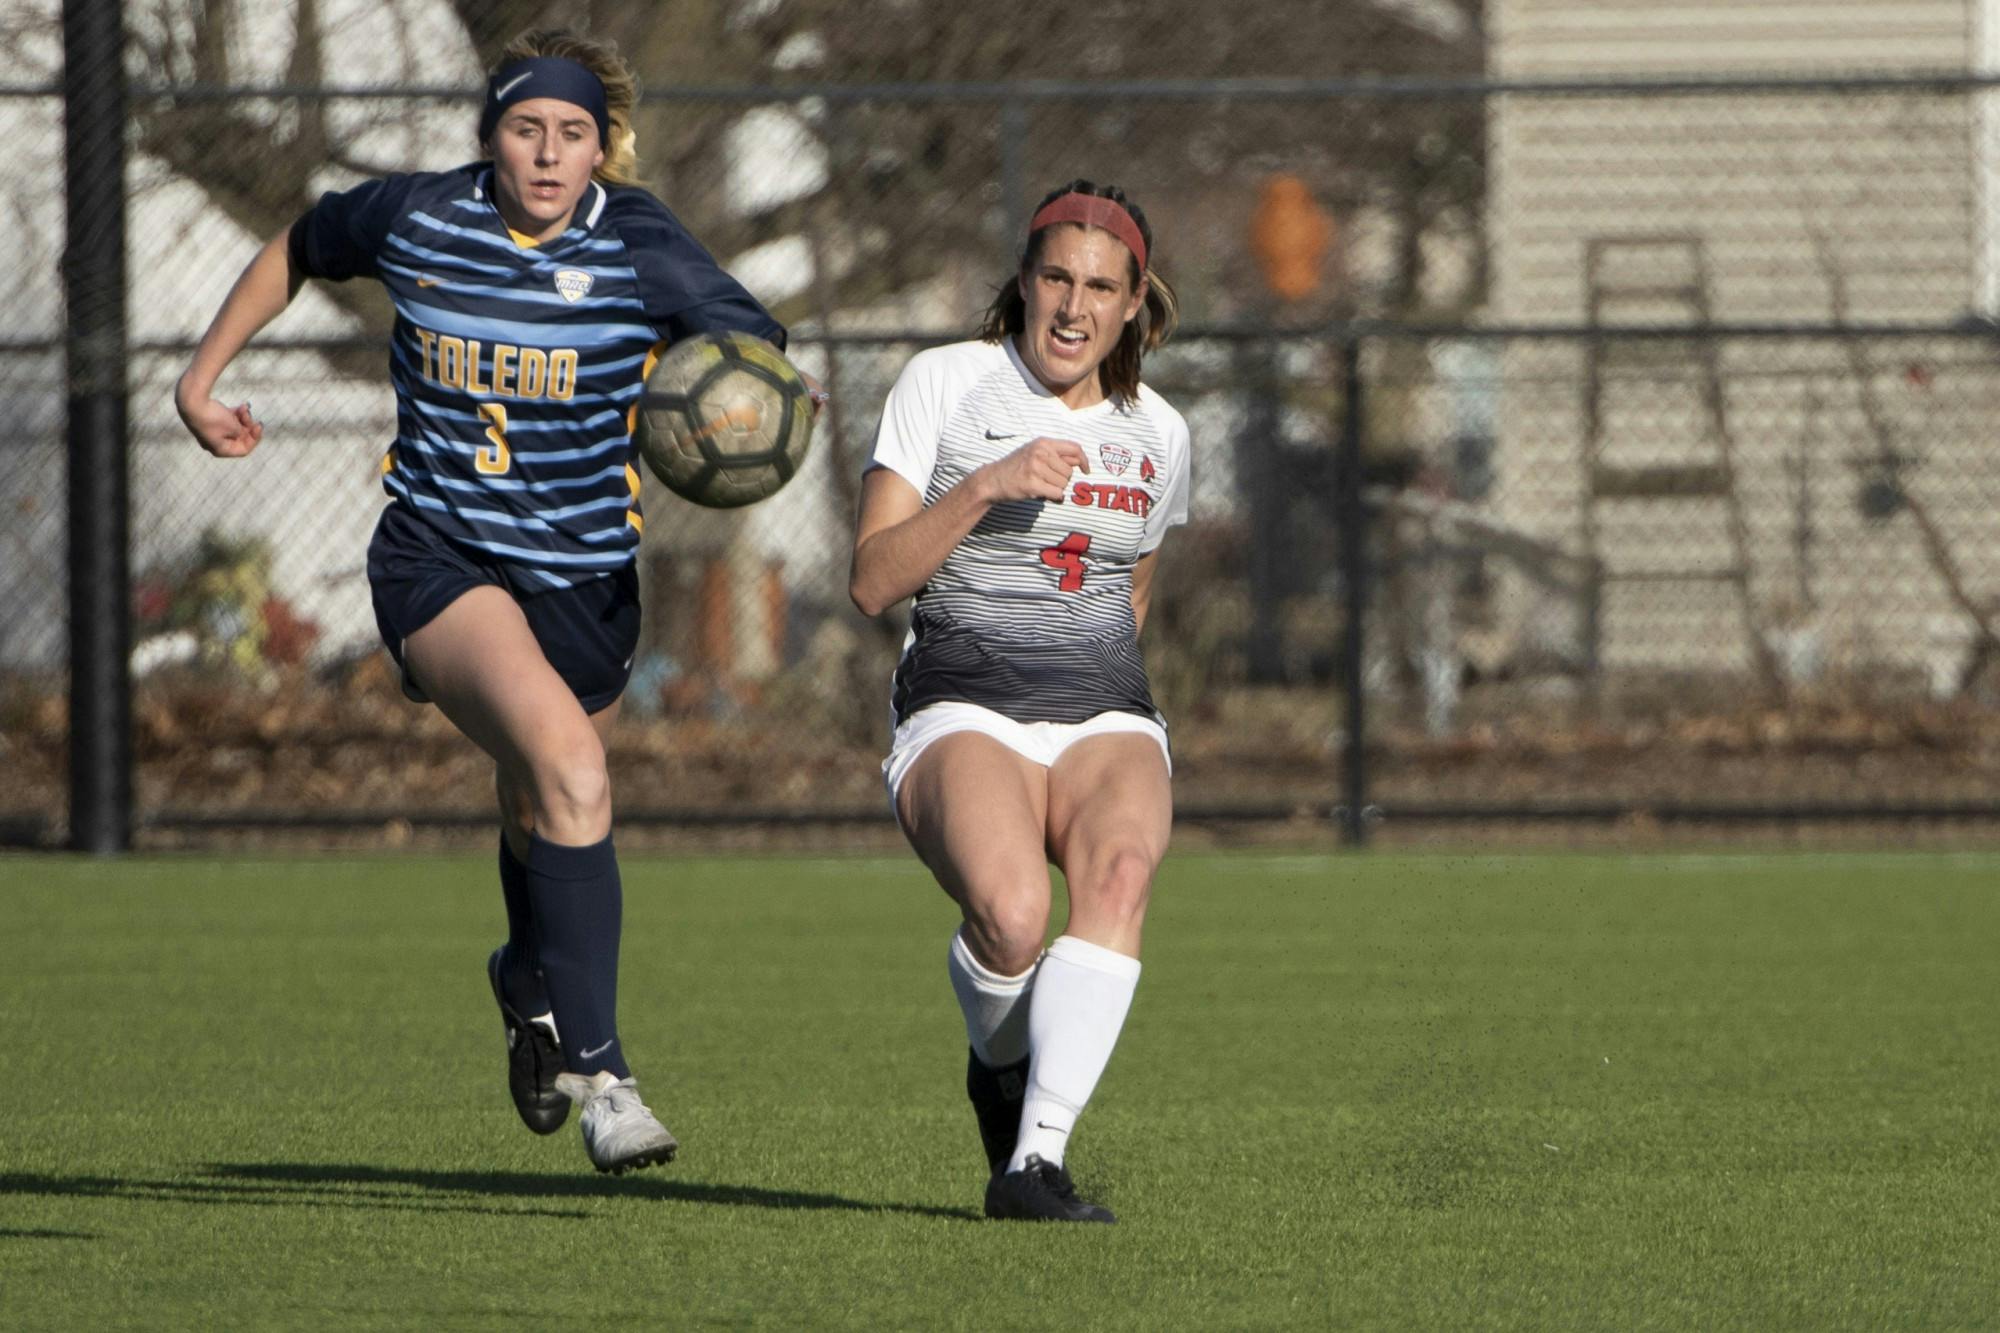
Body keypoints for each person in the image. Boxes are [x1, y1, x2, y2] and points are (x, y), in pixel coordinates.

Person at [174, 28, 798, 1174]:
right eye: (526, 131)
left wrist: (726, 409)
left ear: (601, 145)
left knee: (537, 801)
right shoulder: (418, 215)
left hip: (588, 582)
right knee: (572, 772)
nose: (549, 156)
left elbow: (757, 359)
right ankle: (605, 1076)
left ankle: (528, 980)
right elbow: (298, 245)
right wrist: (200, 375)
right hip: (439, 558)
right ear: (489, 136)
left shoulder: (641, 243)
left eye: (572, 135)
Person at [849, 180, 1189, 1223]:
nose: (1073, 306)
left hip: (1101, 709)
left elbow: (1132, 587)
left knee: (1121, 871)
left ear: (1133, 303)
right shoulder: (945, 383)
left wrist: (1105, 708)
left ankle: (1032, 1163)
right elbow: (870, 580)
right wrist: (985, 486)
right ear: (1023, 280)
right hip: (963, 701)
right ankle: (997, 1068)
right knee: (1009, 918)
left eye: (1099, 285)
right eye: (1054, 277)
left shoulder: (1161, 432)